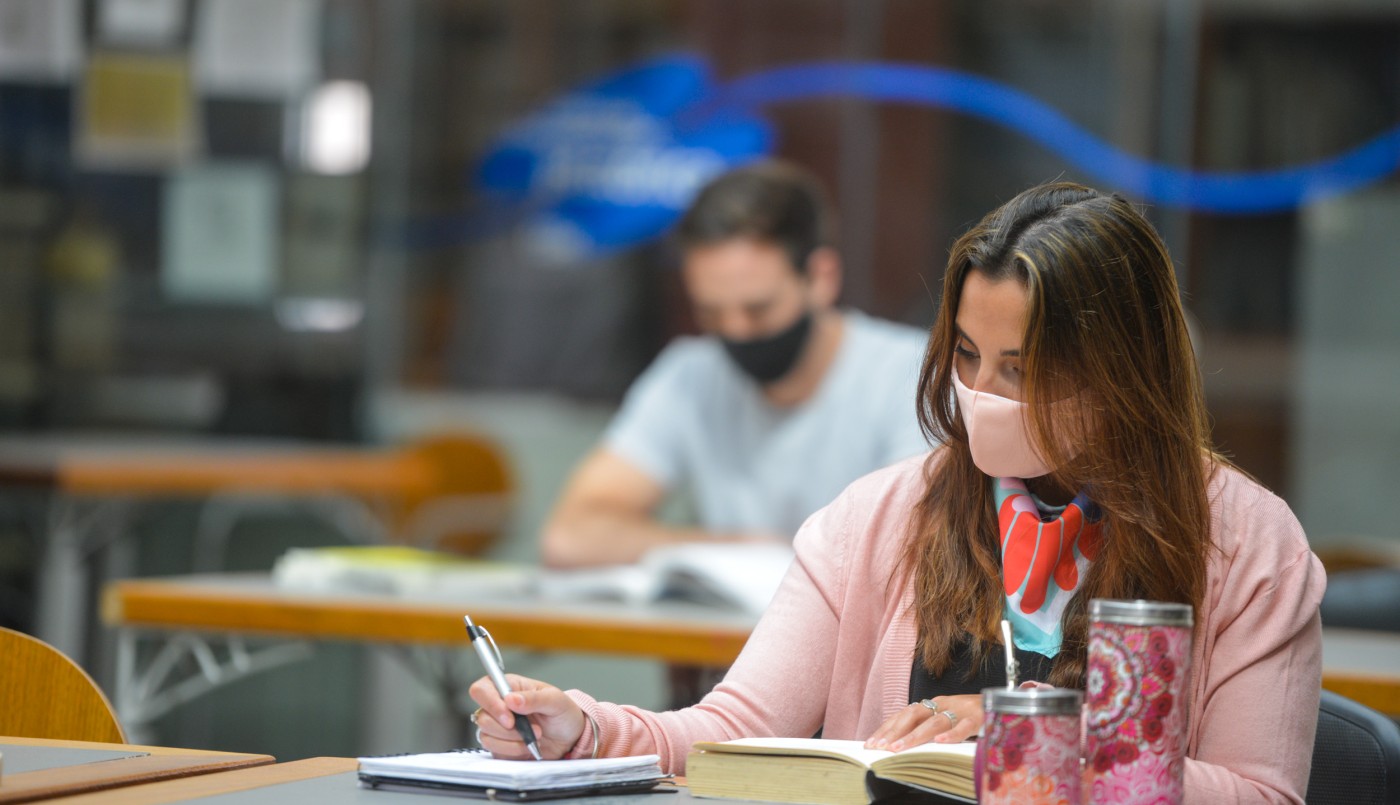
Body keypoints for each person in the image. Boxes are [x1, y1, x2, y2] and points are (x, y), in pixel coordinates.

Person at [475, 182, 1325, 804]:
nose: (979, 393)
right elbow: (732, 724)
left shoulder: (1248, 542)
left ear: (1124, 369)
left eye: (1022, 369)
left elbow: (1262, 793)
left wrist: (1032, 739)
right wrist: (581, 731)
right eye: (964, 357)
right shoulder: (877, 518)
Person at [540, 160, 930, 568]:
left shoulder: (911, 378)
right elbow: (570, 536)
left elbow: (913, 552)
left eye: (758, 309)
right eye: (711, 313)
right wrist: (733, 551)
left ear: (820, 278)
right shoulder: (689, 376)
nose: (736, 331)